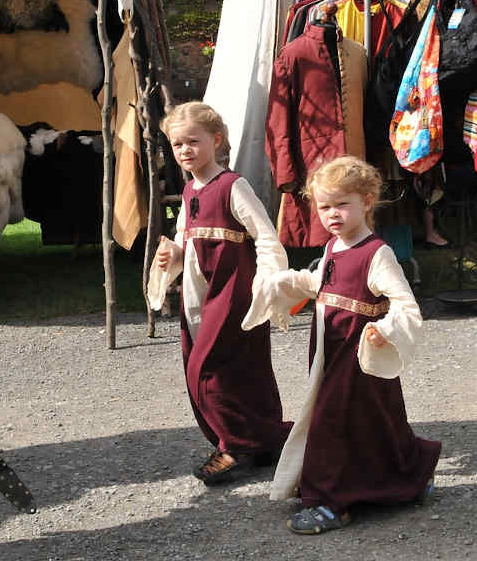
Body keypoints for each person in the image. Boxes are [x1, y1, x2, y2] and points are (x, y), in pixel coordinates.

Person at [242, 156, 441, 535]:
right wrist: (282, 283)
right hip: (330, 353)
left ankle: (332, 501)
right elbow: (320, 283)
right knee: (375, 424)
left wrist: (386, 330)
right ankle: (410, 473)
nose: (332, 214)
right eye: (324, 206)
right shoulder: (334, 247)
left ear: (366, 202)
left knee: (331, 422)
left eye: (341, 204)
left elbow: (405, 304)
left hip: (360, 357)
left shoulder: (376, 254)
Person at [148, 102, 291, 485]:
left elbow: (264, 235)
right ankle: (262, 439)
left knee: (208, 368)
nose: (185, 151)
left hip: (234, 294)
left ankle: (232, 445)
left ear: (216, 140)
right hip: (201, 294)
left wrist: (268, 283)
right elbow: (186, 238)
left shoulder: (232, 186)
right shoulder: (189, 188)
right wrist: (173, 254)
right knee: (235, 370)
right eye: (177, 145)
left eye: (193, 142)